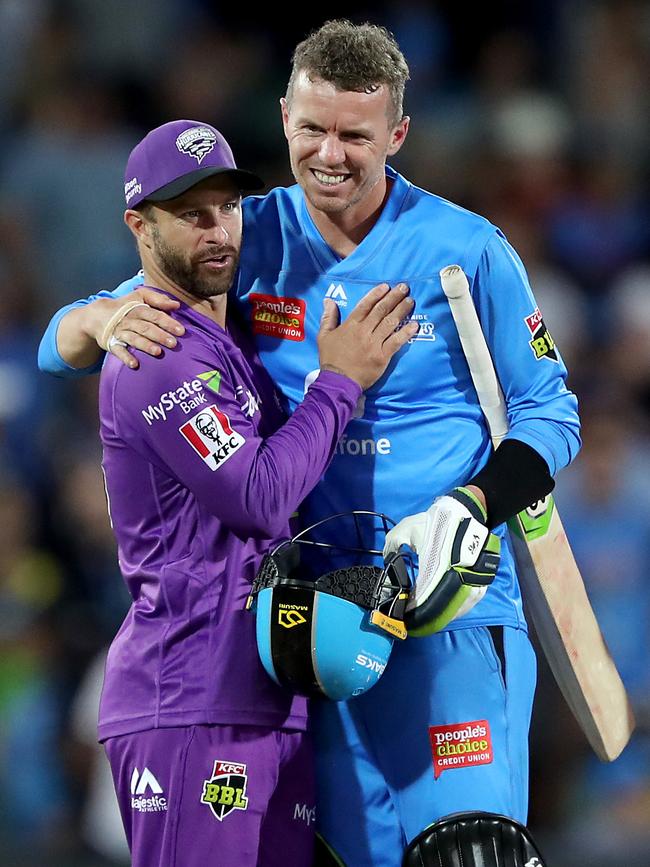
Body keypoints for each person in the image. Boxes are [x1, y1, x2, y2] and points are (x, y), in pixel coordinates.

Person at [38, 21, 580, 867]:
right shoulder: (243, 236)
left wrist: (474, 506)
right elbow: (59, 344)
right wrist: (97, 317)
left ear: (397, 135)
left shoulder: (468, 251)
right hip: (308, 631)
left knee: (471, 852)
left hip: (447, 616)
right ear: (285, 113)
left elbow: (552, 411)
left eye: (356, 135)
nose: (330, 154)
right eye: (312, 129)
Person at [63, 118, 416, 867]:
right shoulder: (154, 349)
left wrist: (79, 319)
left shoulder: (223, 336)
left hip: (265, 694)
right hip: (189, 699)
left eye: (227, 207)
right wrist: (340, 381)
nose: (218, 229)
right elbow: (257, 494)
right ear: (139, 224)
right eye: (191, 214)